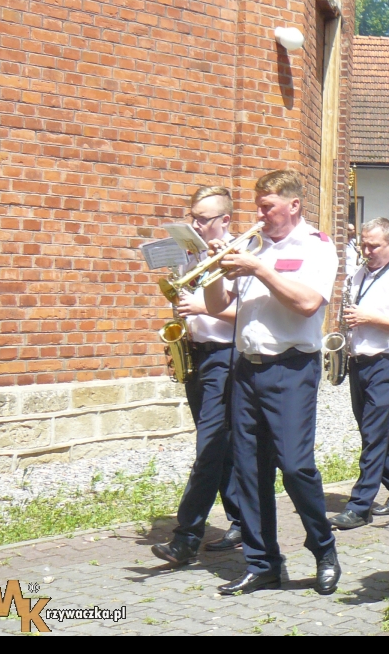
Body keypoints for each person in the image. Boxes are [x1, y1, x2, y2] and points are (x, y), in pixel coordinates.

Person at [201, 170, 339, 596]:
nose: (259, 215)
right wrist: (214, 269)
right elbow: (217, 306)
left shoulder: (317, 246)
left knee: (296, 467)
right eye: (257, 206)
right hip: (247, 367)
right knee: (249, 469)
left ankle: (324, 549)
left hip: (291, 368)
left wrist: (259, 269)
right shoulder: (252, 246)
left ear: (293, 205)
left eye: (268, 207)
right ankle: (262, 563)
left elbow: (308, 303)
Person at [151, 186, 244, 567]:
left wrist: (202, 307)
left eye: (203, 219)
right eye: (193, 217)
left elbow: (249, 313)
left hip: (226, 355)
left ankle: (187, 537)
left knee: (208, 448)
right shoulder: (191, 254)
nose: (196, 224)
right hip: (198, 353)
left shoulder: (237, 254)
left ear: (225, 219)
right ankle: (242, 521)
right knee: (220, 447)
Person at [328, 218, 389, 531]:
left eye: (374, 246)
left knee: (373, 432)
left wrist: (369, 317)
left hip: (387, 361)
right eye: (364, 245)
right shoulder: (358, 274)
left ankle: (359, 505)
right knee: (372, 431)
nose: (367, 251)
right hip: (358, 360)